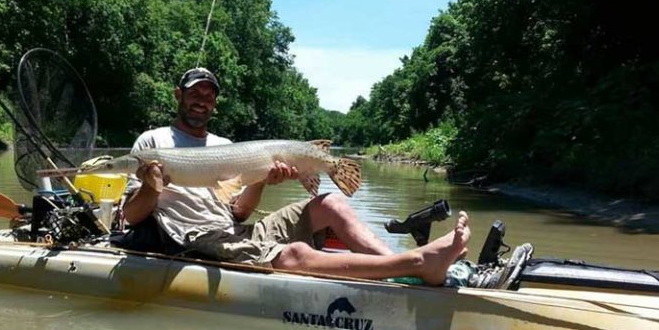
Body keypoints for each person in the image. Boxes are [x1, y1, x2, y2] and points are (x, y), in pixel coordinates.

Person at [122, 67, 470, 285]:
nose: (201, 100)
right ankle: (418, 263)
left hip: (233, 228)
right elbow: (131, 216)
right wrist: (151, 189)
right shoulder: (153, 143)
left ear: (214, 104)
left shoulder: (225, 145)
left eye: (208, 96)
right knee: (295, 254)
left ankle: (398, 269)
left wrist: (261, 179)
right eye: (194, 93)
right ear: (178, 96)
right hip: (194, 238)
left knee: (331, 202)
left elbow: (239, 211)